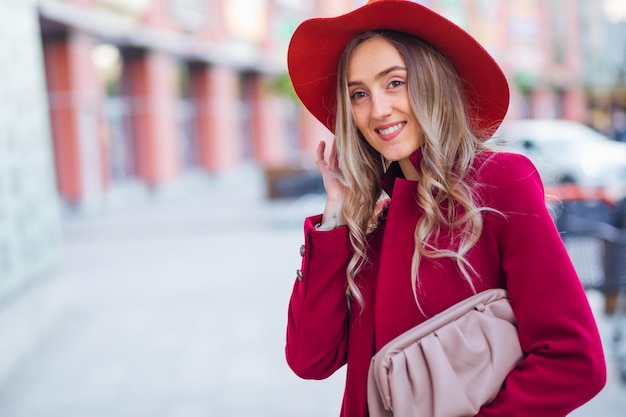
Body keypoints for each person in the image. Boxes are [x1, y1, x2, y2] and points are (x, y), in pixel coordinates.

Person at [284, 1, 607, 416]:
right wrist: (335, 218)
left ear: (432, 83)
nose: (378, 109)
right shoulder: (371, 226)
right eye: (359, 94)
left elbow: (574, 361)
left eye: (395, 83)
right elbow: (310, 359)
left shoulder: (500, 182)